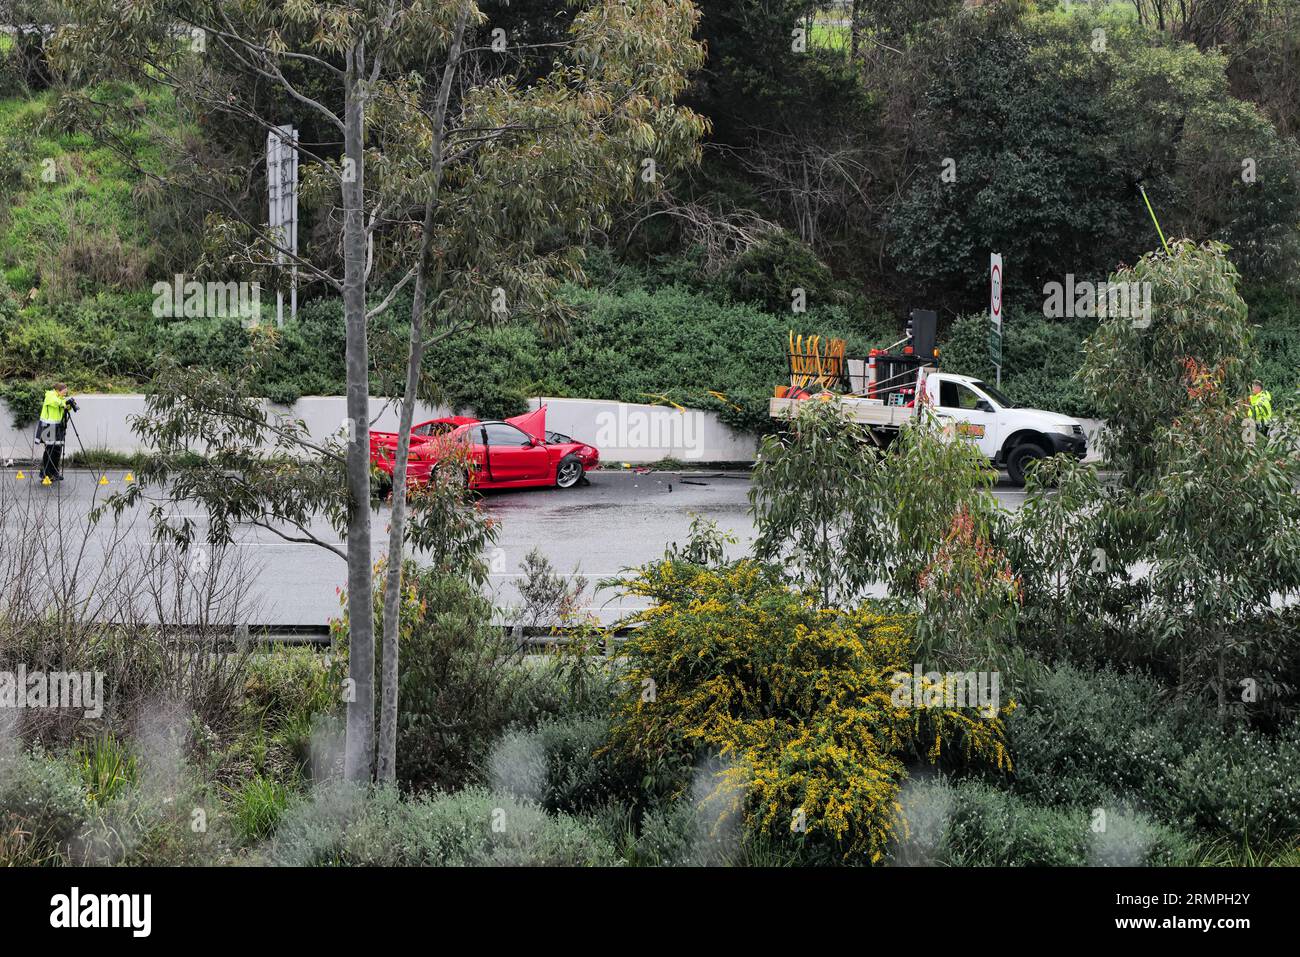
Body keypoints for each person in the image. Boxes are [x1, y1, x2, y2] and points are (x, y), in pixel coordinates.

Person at [36, 383, 77, 481]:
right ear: (58, 390)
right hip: (48, 426)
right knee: (49, 450)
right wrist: (65, 402)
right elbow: (56, 402)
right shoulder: (50, 395)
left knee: (57, 449)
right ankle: (45, 473)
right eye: (64, 392)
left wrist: (71, 405)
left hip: (58, 427)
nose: (65, 394)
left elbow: (64, 405)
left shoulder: (60, 398)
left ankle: (54, 472)